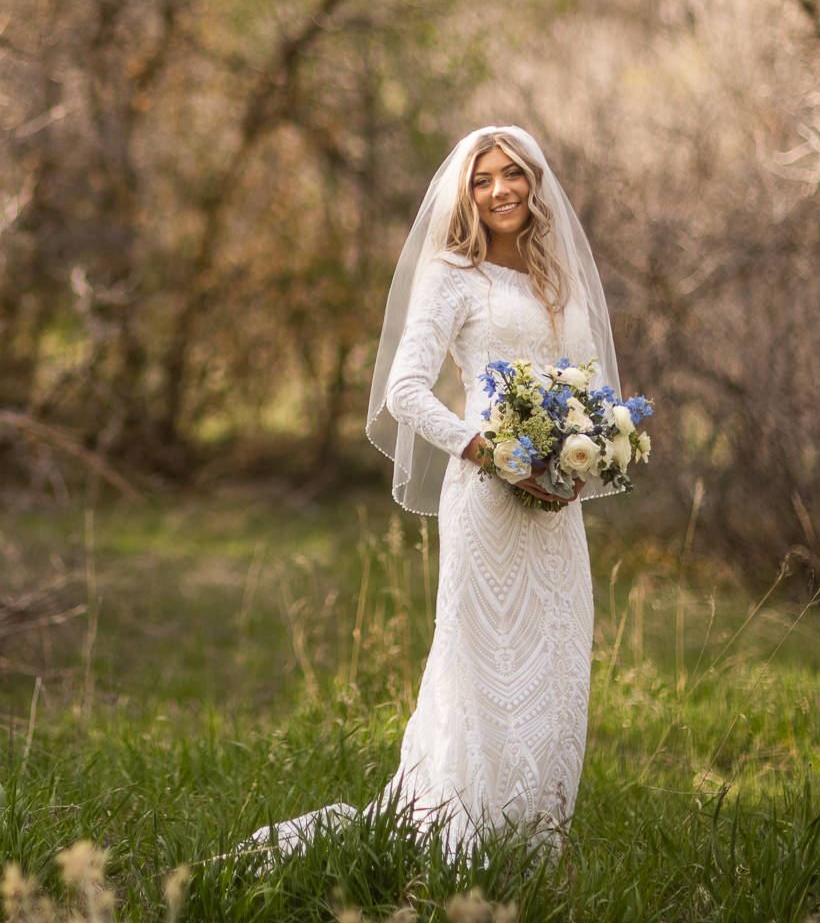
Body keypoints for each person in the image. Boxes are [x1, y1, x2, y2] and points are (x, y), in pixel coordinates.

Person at [246, 124, 622, 858]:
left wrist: (577, 465)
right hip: (486, 493)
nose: (499, 190)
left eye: (511, 174)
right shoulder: (455, 271)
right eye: (481, 180)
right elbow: (405, 391)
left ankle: (534, 841)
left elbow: (593, 389)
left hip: (556, 503)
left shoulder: (560, 277)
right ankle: (461, 836)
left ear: (535, 180)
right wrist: (488, 450)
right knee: (479, 664)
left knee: (554, 663)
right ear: (465, 192)